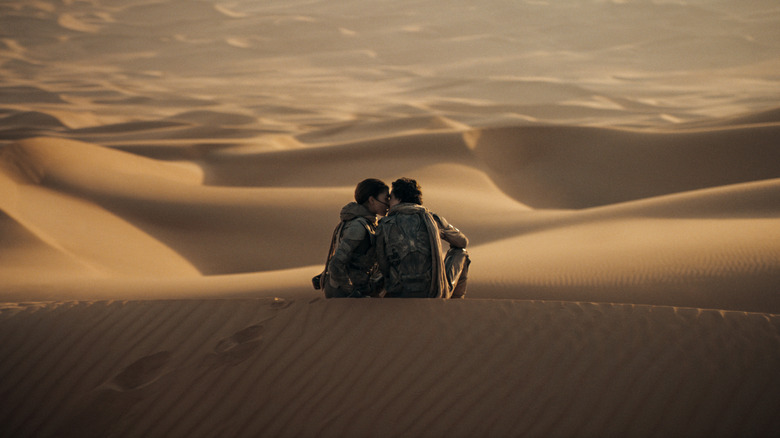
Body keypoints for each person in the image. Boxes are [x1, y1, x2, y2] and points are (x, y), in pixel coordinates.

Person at [375, 177, 470, 299]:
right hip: (433, 293)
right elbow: (462, 242)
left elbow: (382, 262)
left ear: (399, 198)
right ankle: (454, 304)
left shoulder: (384, 224)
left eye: (391, 198)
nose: (388, 203)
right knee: (460, 252)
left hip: (398, 292)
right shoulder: (431, 219)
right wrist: (440, 233)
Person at [313, 178, 390, 298]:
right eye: (386, 199)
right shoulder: (358, 226)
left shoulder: (364, 223)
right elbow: (336, 263)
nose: (388, 204)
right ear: (372, 200)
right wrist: (352, 292)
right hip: (344, 297)